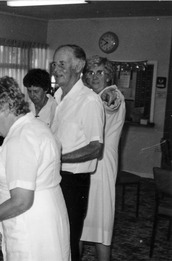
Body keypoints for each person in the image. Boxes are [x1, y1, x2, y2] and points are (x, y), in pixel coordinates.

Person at [0, 76, 70, 260]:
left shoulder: (21, 138)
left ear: (6, 106)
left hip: (30, 223)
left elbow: (21, 201)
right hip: (46, 215)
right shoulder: (35, 127)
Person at [51, 44, 105, 261]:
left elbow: (95, 147)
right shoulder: (57, 96)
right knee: (54, 235)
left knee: (69, 239)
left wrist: (59, 158)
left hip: (73, 182)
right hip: (53, 177)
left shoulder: (90, 101)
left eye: (62, 64)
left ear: (79, 65)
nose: (56, 69)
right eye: (55, 64)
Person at [80, 56, 126, 261]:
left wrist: (108, 98)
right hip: (84, 165)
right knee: (79, 224)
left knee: (101, 229)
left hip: (102, 167)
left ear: (109, 76)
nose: (95, 76)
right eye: (91, 72)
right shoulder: (89, 97)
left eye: (100, 72)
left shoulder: (112, 94)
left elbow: (111, 102)